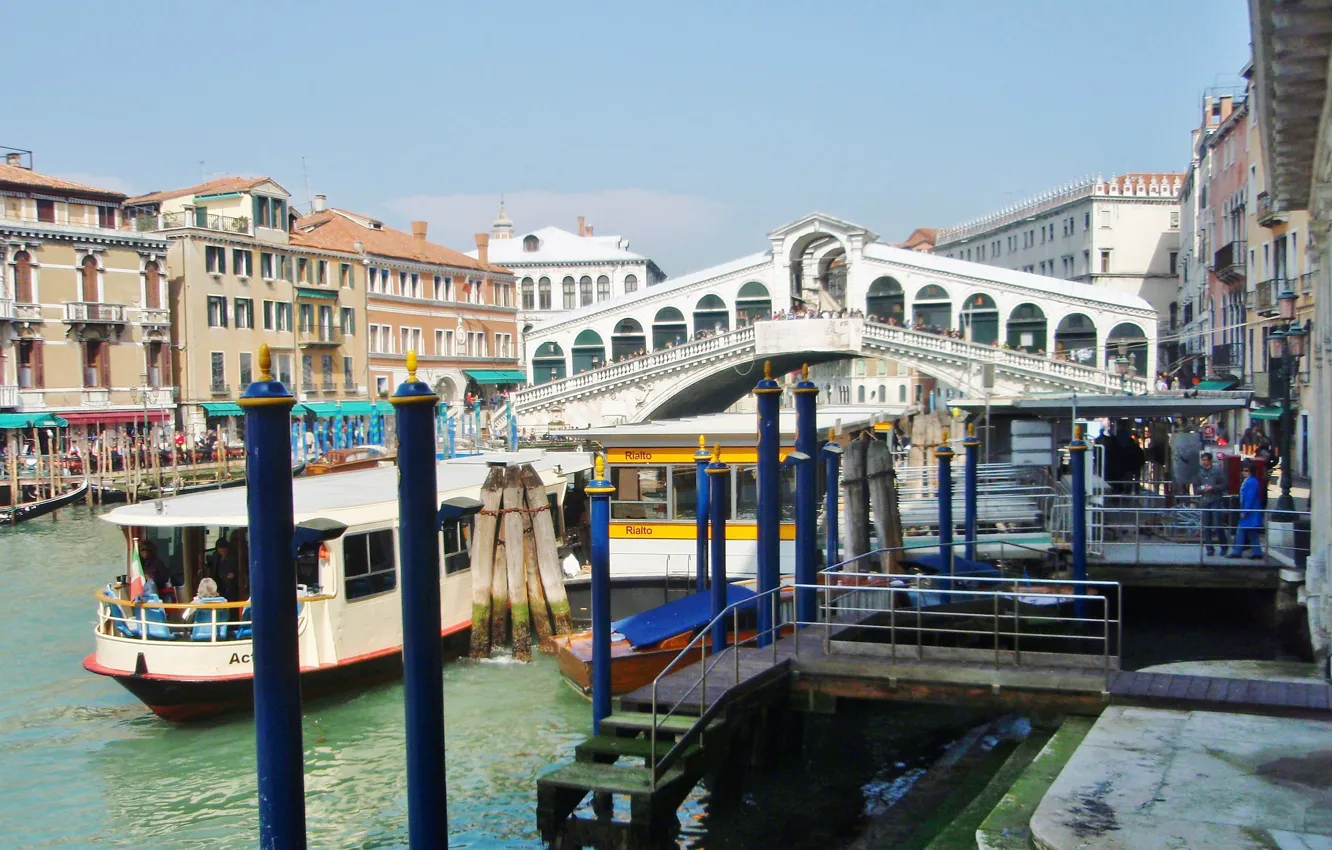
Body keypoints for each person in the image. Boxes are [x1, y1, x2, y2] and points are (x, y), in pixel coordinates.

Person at [1227, 463, 1264, 559]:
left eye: (1246, 471)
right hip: (1251, 511)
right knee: (1252, 533)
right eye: (1243, 470)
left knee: (1241, 530)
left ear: (1251, 471)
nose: (1244, 472)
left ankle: (1237, 552)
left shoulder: (1251, 482)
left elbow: (1250, 498)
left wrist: (1244, 511)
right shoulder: (1251, 481)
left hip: (1250, 511)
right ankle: (1256, 552)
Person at [1196, 452, 1228, 556]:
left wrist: (1212, 488)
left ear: (1210, 460)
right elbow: (1196, 487)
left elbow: (1224, 484)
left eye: (1205, 460)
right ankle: (1209, 548)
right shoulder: (1199, 472)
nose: (1204, 462)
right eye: (1202, 460)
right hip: (1204, 501)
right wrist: (1201, 489)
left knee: (1218, 525)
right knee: (1206, 526)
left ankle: (1224, 546)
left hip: (1215, 499)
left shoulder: (1218, 471)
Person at [207, 535, 240, 600]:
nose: (222, 551)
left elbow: (238, 569)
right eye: (220, 550)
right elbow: (209, 560)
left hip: (230, 585)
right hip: (218, 584)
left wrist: (234, 574)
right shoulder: (216, 556)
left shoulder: (234, 557)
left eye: (224, 549)